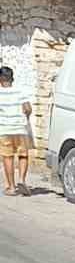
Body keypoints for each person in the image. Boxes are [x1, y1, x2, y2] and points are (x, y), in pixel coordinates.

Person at [0, 65, 33, 197]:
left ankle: (11, 187)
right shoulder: (21, 91)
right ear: (12, 78)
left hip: (5, 129)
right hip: (20, 128)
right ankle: (22, 180)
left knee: (8, 157)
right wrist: (26, 118)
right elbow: (28, 108)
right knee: (23, 155)